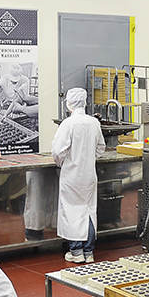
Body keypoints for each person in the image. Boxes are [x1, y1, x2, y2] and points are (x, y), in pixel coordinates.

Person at [51, 88, 105, 263]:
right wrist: (88, 159)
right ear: (84, 102)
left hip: (72, 175)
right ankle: (89, 252)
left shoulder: (68, 124)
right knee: (88, 210)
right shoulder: (94, 123)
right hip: (89, 175)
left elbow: (57, 151)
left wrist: (62, 162)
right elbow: (101, 148)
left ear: (69, 103)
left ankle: (76, 251)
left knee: (72, 211)